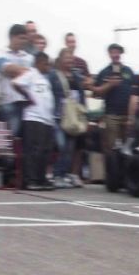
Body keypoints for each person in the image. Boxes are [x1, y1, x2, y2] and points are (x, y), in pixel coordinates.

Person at [14, 52, 56, 190]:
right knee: (33, 150)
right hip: (34, 117)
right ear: (38, 63)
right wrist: (27, 95)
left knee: (45, 151)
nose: (48, 66)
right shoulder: (31, 74)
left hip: (47, 119)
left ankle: (41, 178)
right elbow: (15, 83)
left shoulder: (45, 78)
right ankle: (30, 180)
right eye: (45, 64)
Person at [50, 49, 86, 188]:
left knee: (70, 148)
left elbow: (81, 96)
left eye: (72, 58)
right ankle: (56, 174)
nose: (70, 61)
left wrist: (83, 114)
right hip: (59, 115)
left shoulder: (77, 76)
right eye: (67, 58)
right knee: (62, 145)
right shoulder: (53, 75)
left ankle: (63, 174)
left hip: (73, 117)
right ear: (60, 59)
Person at [91, 43, 135, 152]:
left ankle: (122, 164)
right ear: (109, 54)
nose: (115, 55)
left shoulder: (129, 71)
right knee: (111, 148)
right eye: (113, 52)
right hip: (111, 115)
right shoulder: (104, 72)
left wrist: (131, 116)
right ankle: (111, 163)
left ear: (121, 53)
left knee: (126, 149)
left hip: (127, 116)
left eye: (117, 52)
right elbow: (96, 94)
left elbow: (135, 93)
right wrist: (109, 85)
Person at [0, 24, 34, 137]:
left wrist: (17, 70)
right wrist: (25, 71)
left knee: (21, 138)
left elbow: (33, 76)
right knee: (9, 136)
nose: (24, 41)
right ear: (12, 37)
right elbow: (8, 69)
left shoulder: (29, 57)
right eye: (21, 38)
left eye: (25, 38)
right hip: (7, 101)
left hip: (25, 103)